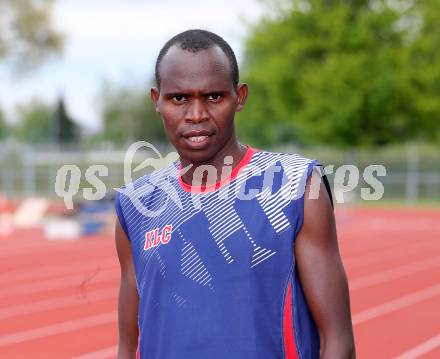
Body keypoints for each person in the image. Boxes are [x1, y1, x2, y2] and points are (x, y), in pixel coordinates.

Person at [115, 29, 355, 359]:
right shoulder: (137, 205)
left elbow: (337, 340)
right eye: (179, 98)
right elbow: (129, 347)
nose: (196, 114)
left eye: (213, 97)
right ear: (157, 100)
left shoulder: (297, 187)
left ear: (239, 97)